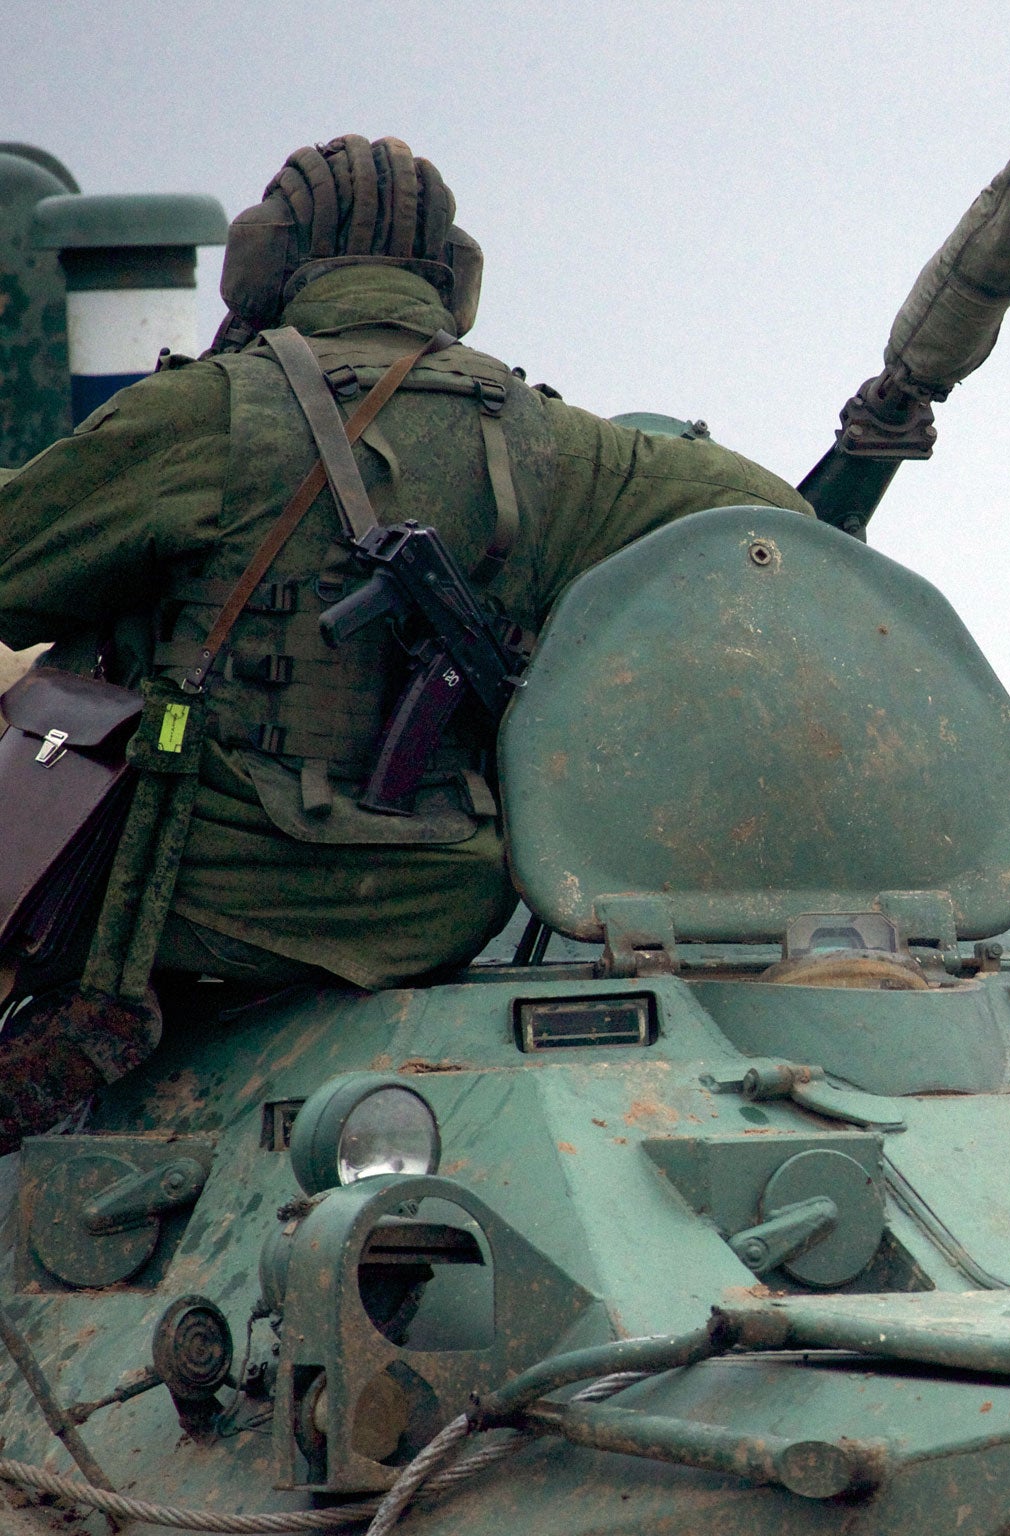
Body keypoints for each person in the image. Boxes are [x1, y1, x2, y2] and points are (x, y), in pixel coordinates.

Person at [0, 135, 809, 1147]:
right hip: (436, 906)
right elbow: (778, 528)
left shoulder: (203, 417)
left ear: (260, 267)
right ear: (457, 282)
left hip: (203, 903)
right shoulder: (557, 443)